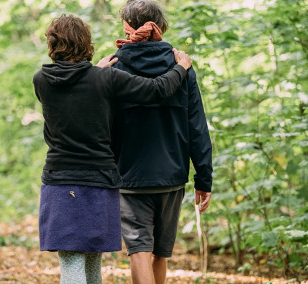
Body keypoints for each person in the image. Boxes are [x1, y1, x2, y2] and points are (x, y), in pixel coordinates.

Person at [33, 14, 192, 284]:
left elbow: (74, 93)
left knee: (72, 265)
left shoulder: (42, 80)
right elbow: (156, 89)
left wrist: (96, 70)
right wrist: (181, 68)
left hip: (60, 184)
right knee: (93, 265)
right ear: (86, 42)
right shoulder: (106, 79)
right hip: (99, 182)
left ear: (53, 43)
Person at [110, 1, 213, 283]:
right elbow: (196, 125)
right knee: (160, 253)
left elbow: (104, 125)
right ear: (160, 26)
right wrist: (204, 178)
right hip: (172, 175)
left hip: (130, 175)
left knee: (138, 250)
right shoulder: (181, 64)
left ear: (128, 28)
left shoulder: (114, 65)